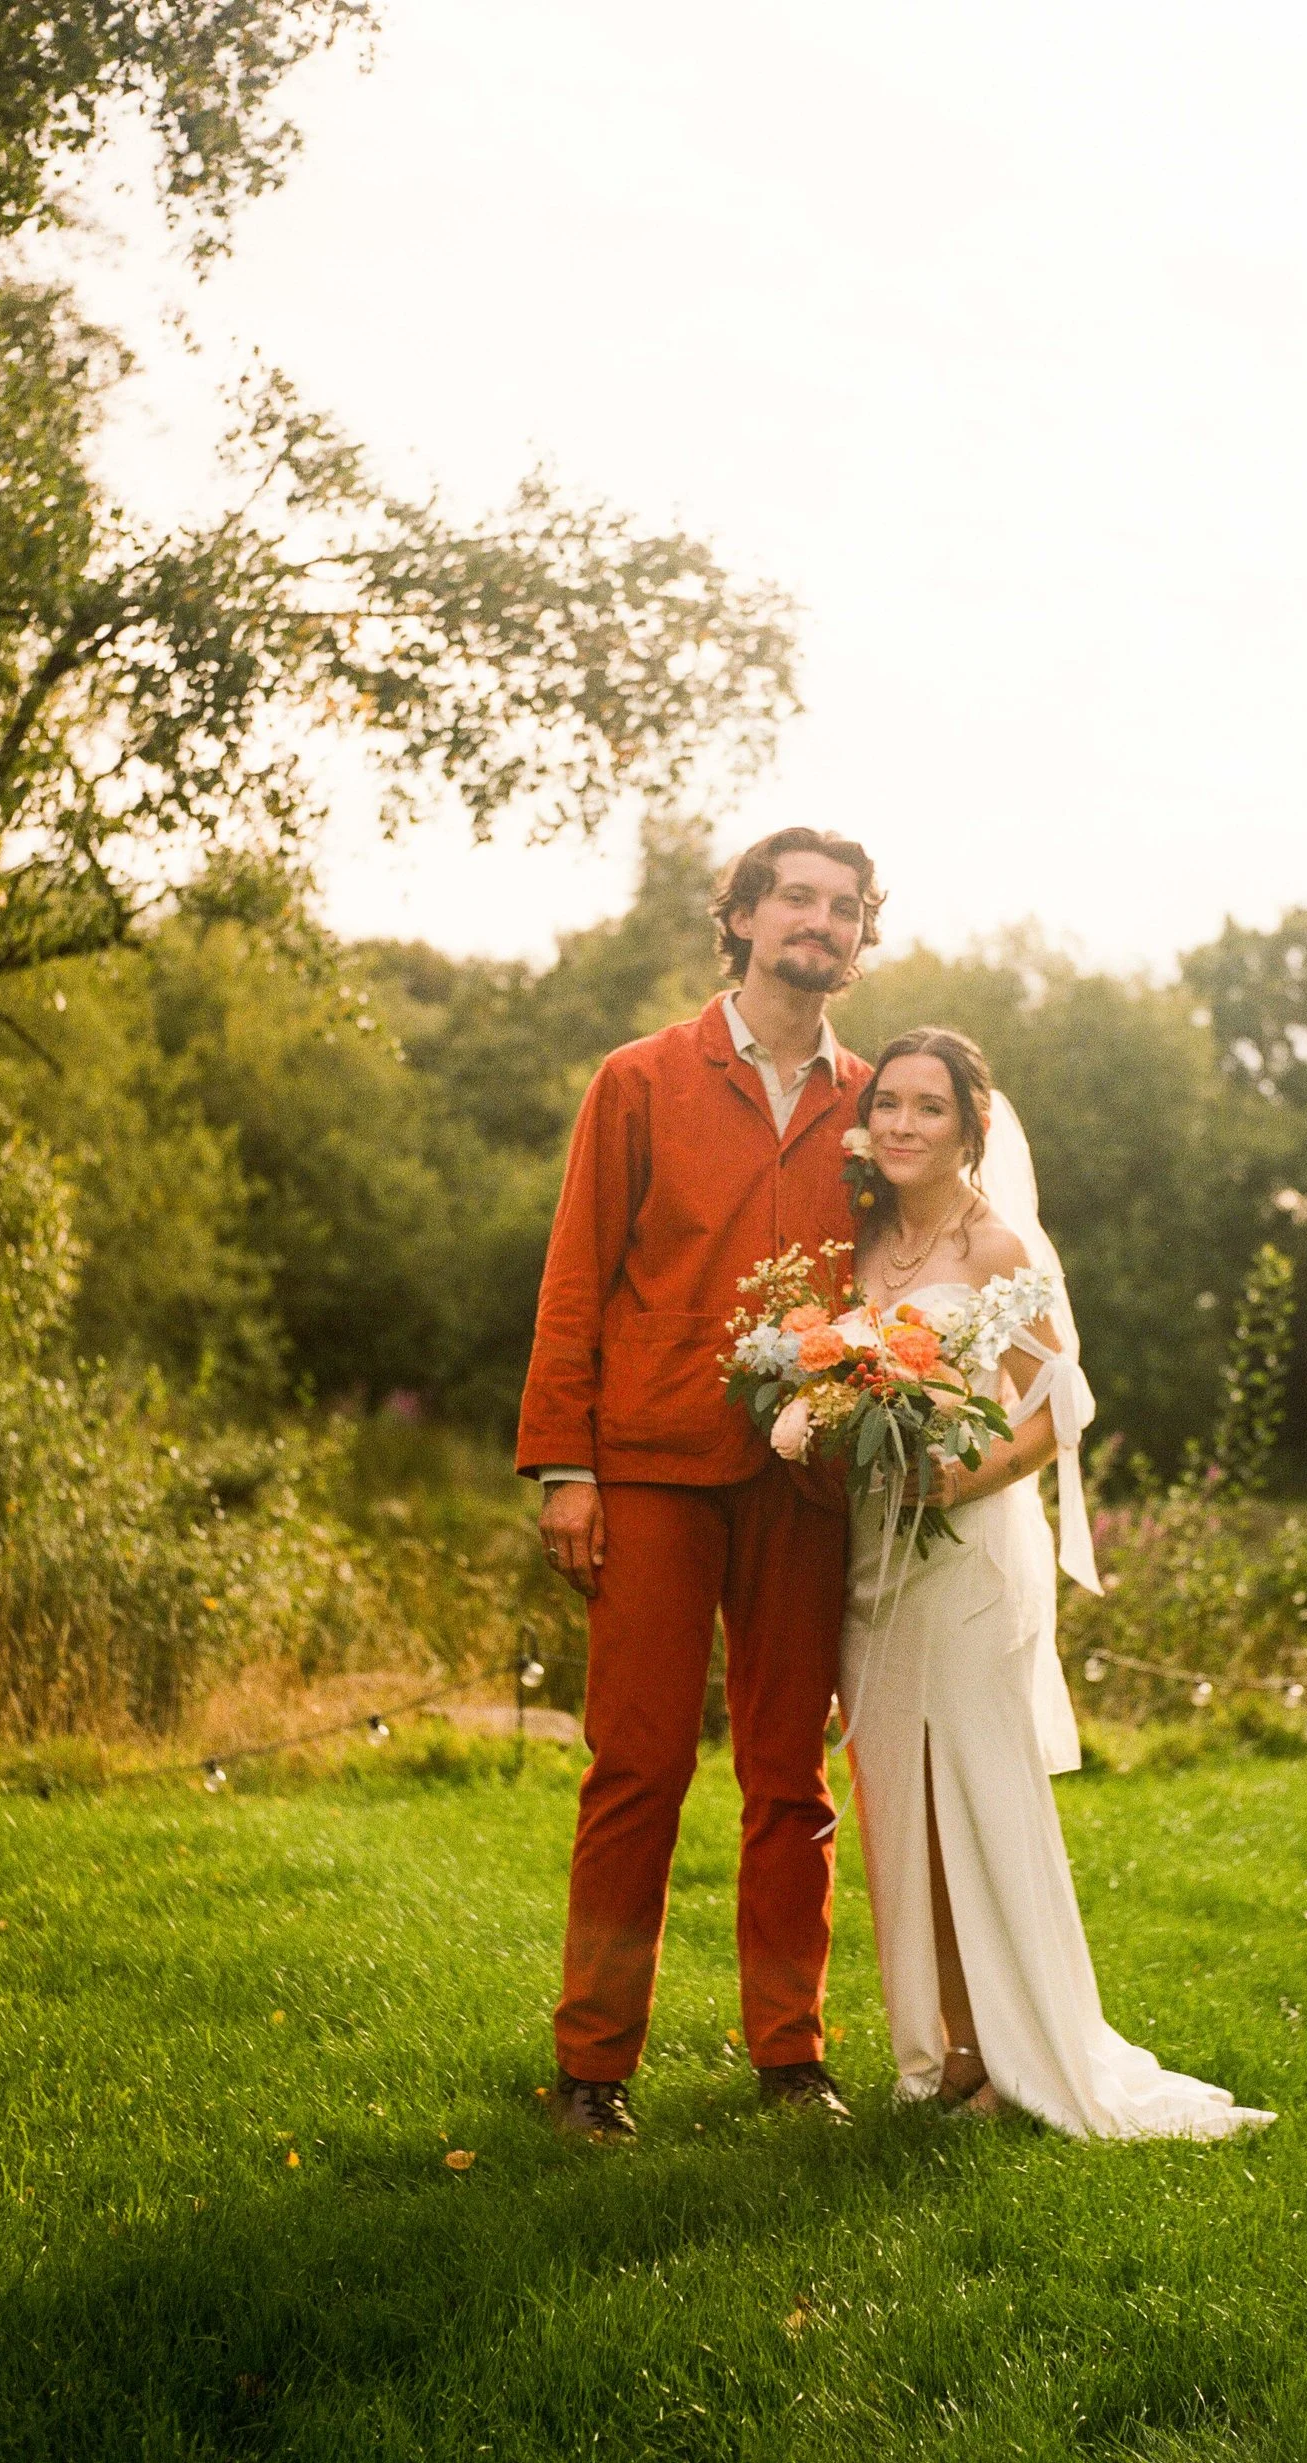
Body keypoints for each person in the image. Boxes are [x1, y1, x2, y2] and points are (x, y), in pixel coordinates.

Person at [839, 1028, 1275, 2139]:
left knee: (979, 1795)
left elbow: (1056, 1410)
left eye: (928, 1108)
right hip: (873, 1557)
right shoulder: (867, 1234)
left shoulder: (997, 1244)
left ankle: (1015, 2055)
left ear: (971, 1127)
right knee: (900, 1807)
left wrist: (958, 1479)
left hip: (967, 1551)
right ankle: (939, 2048)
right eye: (887, 1102)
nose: (900, 1124)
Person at [517, 826, 880, 2143]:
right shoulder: (642, 1078)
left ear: (860, 937)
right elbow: (575, 1276)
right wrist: (567, 1464)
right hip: (655, 1461)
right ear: (738, 917)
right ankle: (592, 2067)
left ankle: (791, 2054)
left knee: (792, 1780)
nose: (820, 922)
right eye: (795, 897)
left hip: (810, 1475)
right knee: (639, 1766)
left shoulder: (872, 1103)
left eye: (844, 907)